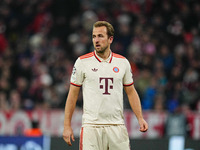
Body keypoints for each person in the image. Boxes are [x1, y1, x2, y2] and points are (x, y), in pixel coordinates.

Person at [63, 21, 148, 150]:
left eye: (100, 36)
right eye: (94, 36)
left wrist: (140, 118)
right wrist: (67, 125)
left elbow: (131, 92)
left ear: (110, 39)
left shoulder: (123, 63)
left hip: (116, 127)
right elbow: (72, 95)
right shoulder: (82, 62)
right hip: (91, 127)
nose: (96, 40)